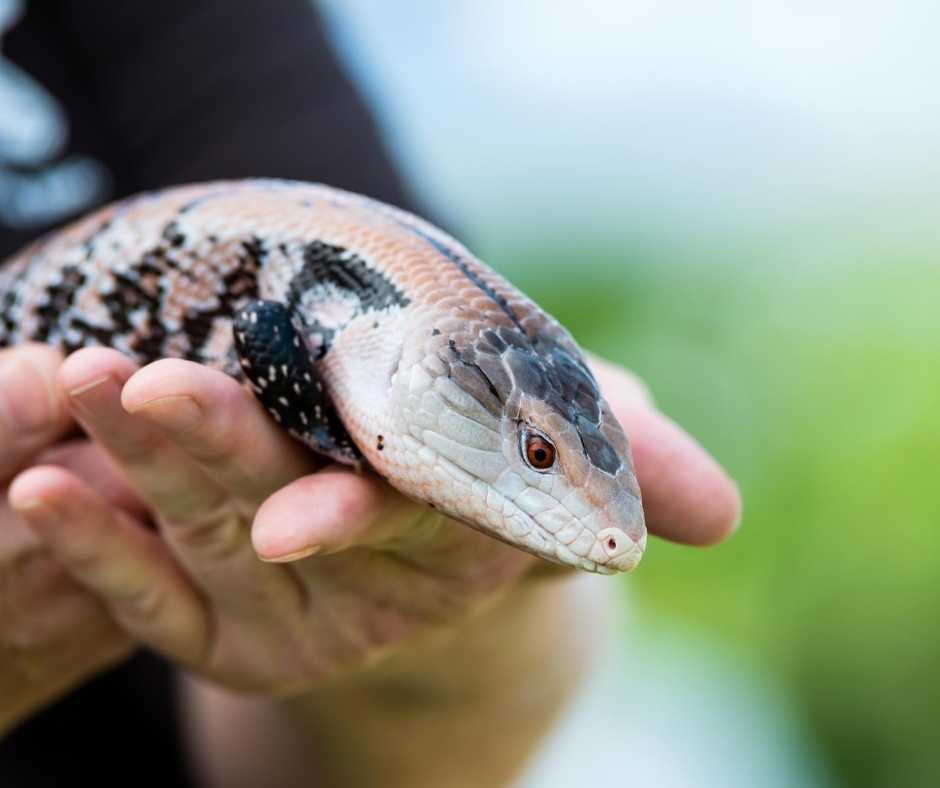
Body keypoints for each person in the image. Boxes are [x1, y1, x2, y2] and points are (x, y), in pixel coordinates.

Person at [0, 2, 741, 786]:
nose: (615, 540)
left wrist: (461, 637)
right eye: (536, 454)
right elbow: (261, 328)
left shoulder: (397, 329)